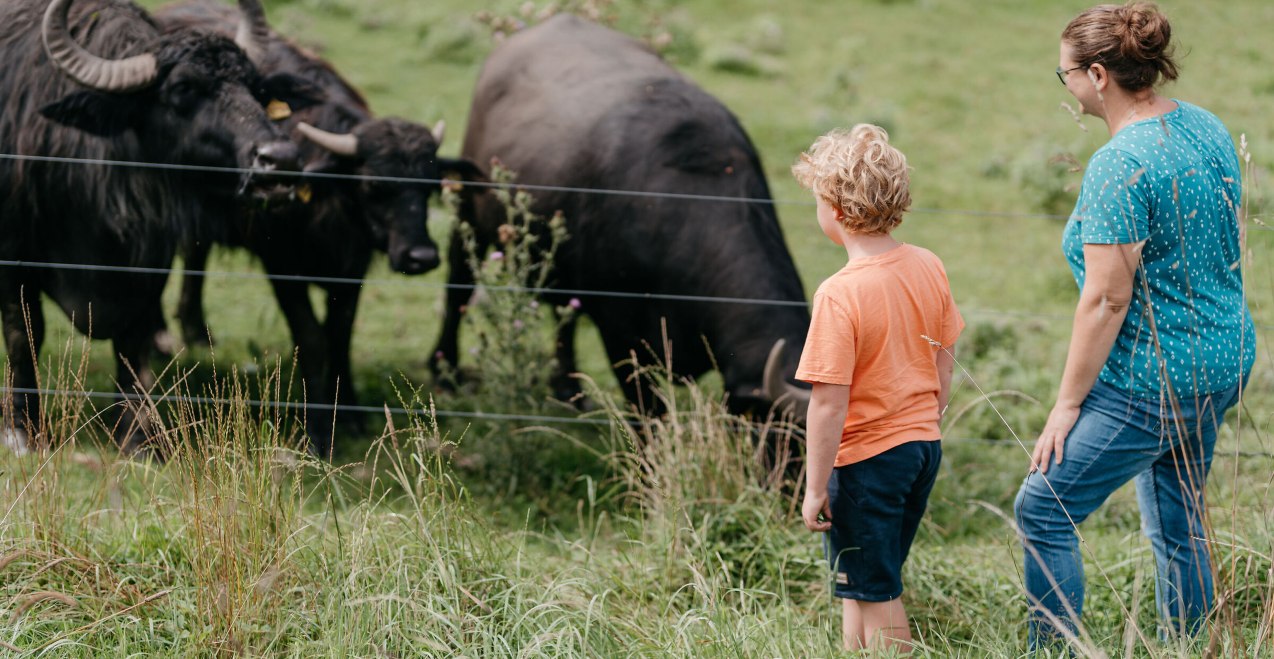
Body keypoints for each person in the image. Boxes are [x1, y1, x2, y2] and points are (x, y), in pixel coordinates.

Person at [1014, 1, 1256, 649]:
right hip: (1223, 355)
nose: (1062, 83)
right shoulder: (1203, 125)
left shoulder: (1119, 166)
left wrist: (1067, 406)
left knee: (1044, 506)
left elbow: (1105, 301)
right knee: (1180, 520)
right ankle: (1188, 642)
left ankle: (1054, 647)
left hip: (1154, 378)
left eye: (1062, 71)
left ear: (1097, 75)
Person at [792, 124, 964, 653]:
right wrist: (925, 422)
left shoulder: (839, 294)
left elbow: (827, 403)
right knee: (861, 583)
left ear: (836, 213)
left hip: (865, 462)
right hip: (919, 450)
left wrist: (815, 486)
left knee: (879, 590)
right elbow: (945, 357)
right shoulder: (927, 264)